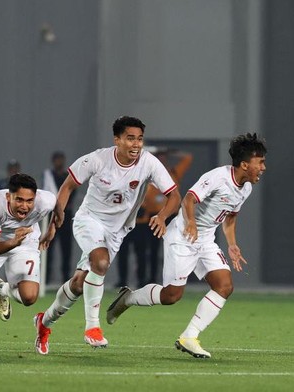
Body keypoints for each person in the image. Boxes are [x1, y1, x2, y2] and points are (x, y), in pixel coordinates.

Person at [106, 133, 266, 359]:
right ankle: (128, 298)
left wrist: (232, 244)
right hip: (183, 236)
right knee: (171, 296)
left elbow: (230, 217)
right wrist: (190, 223)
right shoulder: (218, 177)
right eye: (260, 162)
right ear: (244, 164)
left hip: (206, 240)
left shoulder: (246, 188)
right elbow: (189, 199)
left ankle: (189, 336)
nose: (263, 167)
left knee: (224, 286)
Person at [32, 116, 180, 355]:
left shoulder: (149, 163)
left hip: (117, 231)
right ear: (117, 139)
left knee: (80, 284)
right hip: (88, 221)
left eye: (140, 139)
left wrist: (162, 216)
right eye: (130, 138)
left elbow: (174, 196)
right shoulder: (97, 159)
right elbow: (68, 186)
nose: (136, 144)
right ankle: (93, 328)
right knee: (100, 263)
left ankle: (44, 322)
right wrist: (53, 224)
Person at [0, 173, 57, 355]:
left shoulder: (45, 200)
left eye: (29, 201)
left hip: (26, 239)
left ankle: (2, 289)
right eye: (19, 200)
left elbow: (60, 205)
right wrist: (13, 242)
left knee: (29, 298)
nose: (25, 206)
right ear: (9, 196)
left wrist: (51, 229)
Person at [115, 148, 192, 287]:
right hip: (150, 216)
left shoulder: (173, 173)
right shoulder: (149, 175)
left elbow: (188, 157)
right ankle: (147, 279)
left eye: (163, 157)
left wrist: (171, 152)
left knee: (174, 249)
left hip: (171, 216)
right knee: (151, 249)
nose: (162, 160)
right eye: (159, 157)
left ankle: (174, 279)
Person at [41, 151, 75, 283]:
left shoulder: (68, 176)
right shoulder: (48, 175)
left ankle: (66, 277)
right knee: (49, 245)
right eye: (57, 159)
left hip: (66, 214)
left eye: (61, 159)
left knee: (66, 248)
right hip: (52, 214)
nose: (59, 162)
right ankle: (46, 278)